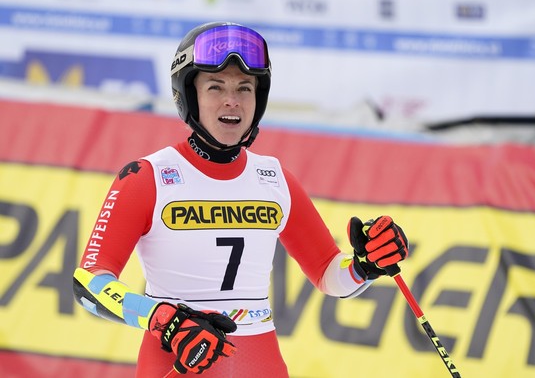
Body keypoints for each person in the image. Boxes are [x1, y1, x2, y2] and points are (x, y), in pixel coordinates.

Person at [72, 21, 409, 377]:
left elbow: (329, 275)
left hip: (260, 362)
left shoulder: (274, 179)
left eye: (244, 88)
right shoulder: (146, 178)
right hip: (177, 358)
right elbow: (89, 285)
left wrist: (365, 265)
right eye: (215, 87)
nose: (232, 101)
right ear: (189, 96)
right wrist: (162, 319)